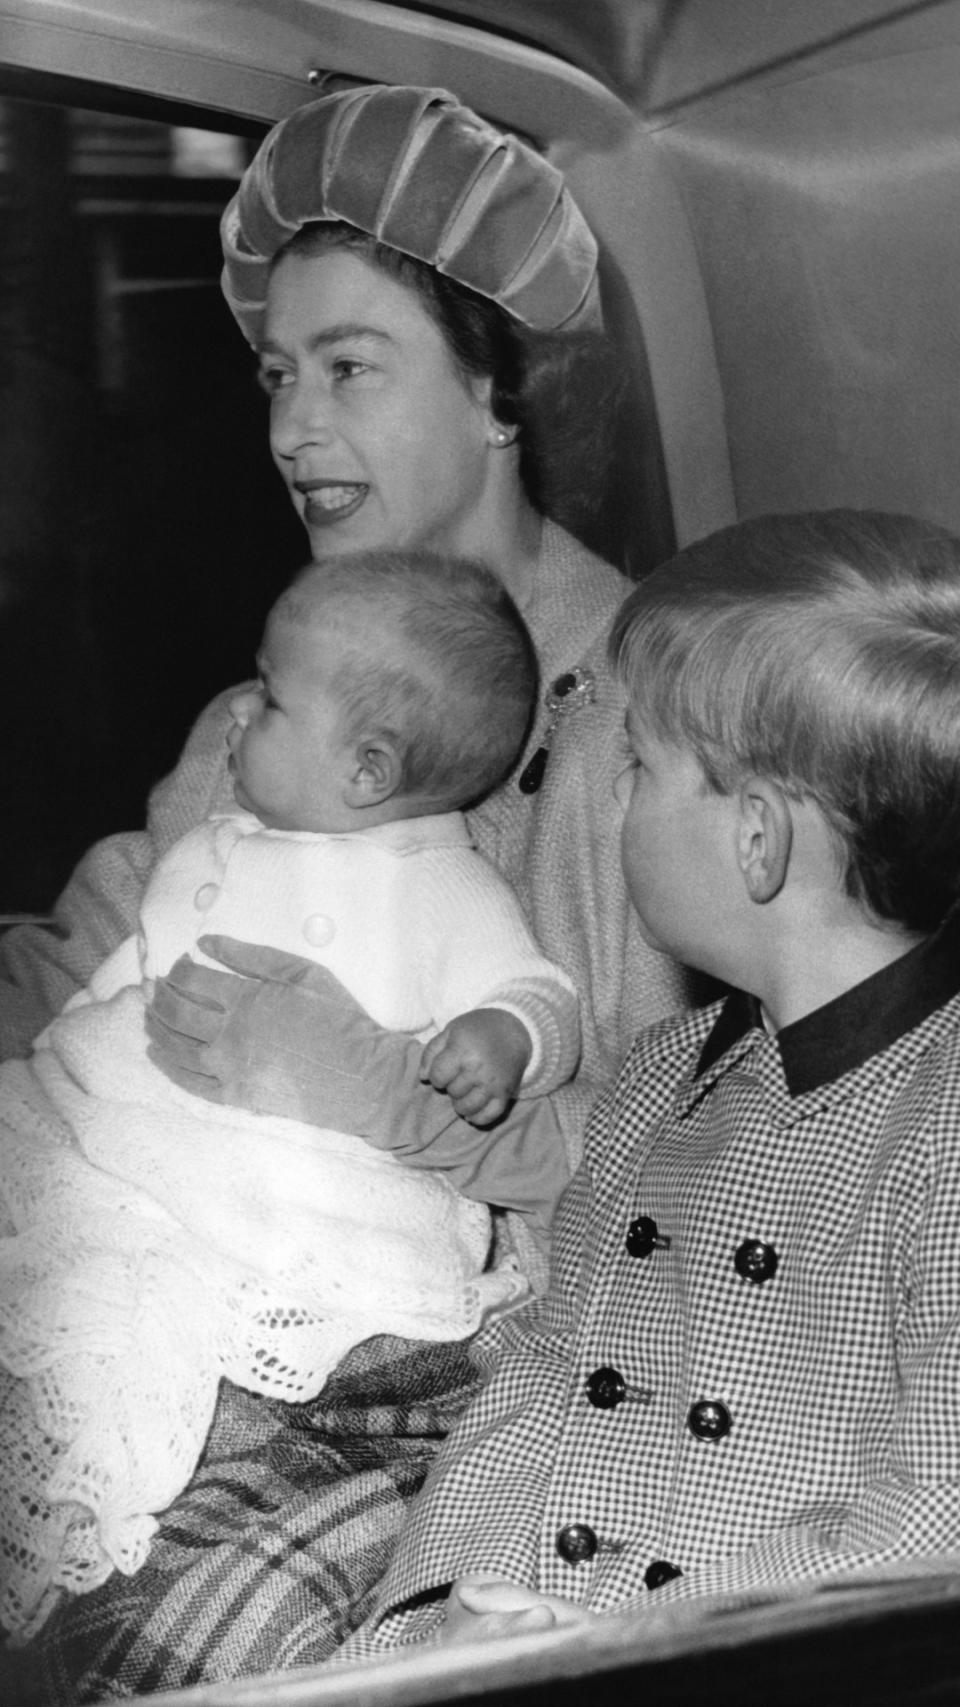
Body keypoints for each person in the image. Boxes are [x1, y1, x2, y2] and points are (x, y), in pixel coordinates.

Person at [0, 86, 694, 1698]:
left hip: (449, 1358)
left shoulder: (655, 724)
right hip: (170, 1239)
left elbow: (669, 1171)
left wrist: (384, 1089)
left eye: (350, 369)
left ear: (498, 386)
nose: (289, 430)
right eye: (274, 374)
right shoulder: (279, 703)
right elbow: (106, 954)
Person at [324, 508, 960, 1660]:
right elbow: (543, 1377)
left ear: (756, 840)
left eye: (638, 766)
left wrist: (623, 1640)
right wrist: (449, 1609)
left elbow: (933, 1521)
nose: (611, 802)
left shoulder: (943, 1113)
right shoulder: (666, 1078)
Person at [0, 546, 585, 1641]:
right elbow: (120, 983)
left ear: (366, 770)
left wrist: (503, 1036)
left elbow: (534, 990)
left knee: (160, 1306)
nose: (235, 719)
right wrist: (65, 1060)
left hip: (312, 1201)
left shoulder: (442, 885)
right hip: (141, 1134)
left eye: (267, 699)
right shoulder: (216, 843)